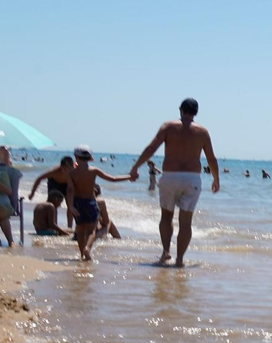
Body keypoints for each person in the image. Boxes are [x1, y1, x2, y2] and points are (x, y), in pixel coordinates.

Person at [128, 97, 220, 267]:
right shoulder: (203, 132)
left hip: (170, 176)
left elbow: (151, 148)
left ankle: (165, 252)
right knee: (186, 222)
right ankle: (180, 260)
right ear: (196, 113)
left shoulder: (169, 127)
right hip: (192, 179)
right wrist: (216, 179)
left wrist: (136, 167)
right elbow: (211, 159)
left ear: (181, 110)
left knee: (166, 217)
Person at [68, 146, 134, 261]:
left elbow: (70, 190)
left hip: (77, 203)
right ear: (90, 158)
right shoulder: (94, 170)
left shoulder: (71, 172)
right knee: (91, 231)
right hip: (90, 202)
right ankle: (87, 248)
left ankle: (82, 254)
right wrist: (129, 176)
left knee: (80, 230)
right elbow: (113, 178)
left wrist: (70, 206)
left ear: (75, 157)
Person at [28, 156, 76, 228]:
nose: (66, 171)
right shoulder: (54, 171)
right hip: (54, 183)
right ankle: (54, 226)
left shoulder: (75, 170)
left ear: (72, 166)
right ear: (61, 167)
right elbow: (39, 178)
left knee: (70, 205)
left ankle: (69, 227)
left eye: (68, 169)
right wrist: (32, 193)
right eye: (64, 169)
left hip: (67, 185)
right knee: (53, 205)